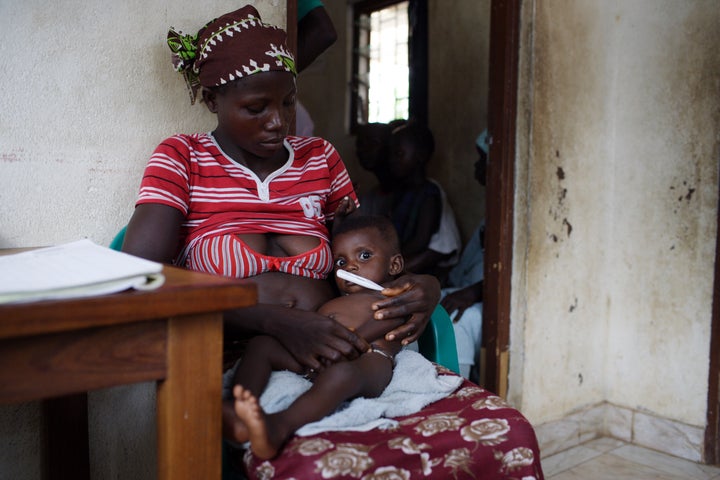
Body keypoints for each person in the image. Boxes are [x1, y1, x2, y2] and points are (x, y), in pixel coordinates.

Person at [122, 2, 440, 443]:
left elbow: (365, 252)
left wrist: (425, 285)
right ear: (214, 100)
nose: (278, 122)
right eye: (256, 108)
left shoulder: (320, 158)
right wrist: (272, 321)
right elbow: (138, 280)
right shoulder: (183, 157)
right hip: (227, 353)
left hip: (339, 344)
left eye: (288, 102)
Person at [224, 214, 406, 460]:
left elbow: (382, 324)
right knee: (262, 345)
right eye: (341, 262)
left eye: (364, 256)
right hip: (321, 354)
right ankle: (239, 408)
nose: (350, 267)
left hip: (368, 361)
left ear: (394, 266)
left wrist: (343, 344)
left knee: (342, 374)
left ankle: (279, 426)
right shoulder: (337, 299)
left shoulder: (392, 299)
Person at [382, 119, 462, 277]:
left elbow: (421, 240)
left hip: (423, 271)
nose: (392, 159)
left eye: (399, 154)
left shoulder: (429, 193)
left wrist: (392, 258)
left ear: (421, 156)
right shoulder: (401, 192)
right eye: (390, 154)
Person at [440, 130, 488, 381]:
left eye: (482, 159)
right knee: (431, 303)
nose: (476, 165)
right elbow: (467, 267)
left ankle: (460, 390)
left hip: (493, 303)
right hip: (475, 291)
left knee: (460, 319)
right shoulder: (488, 217)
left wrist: (471, 293)